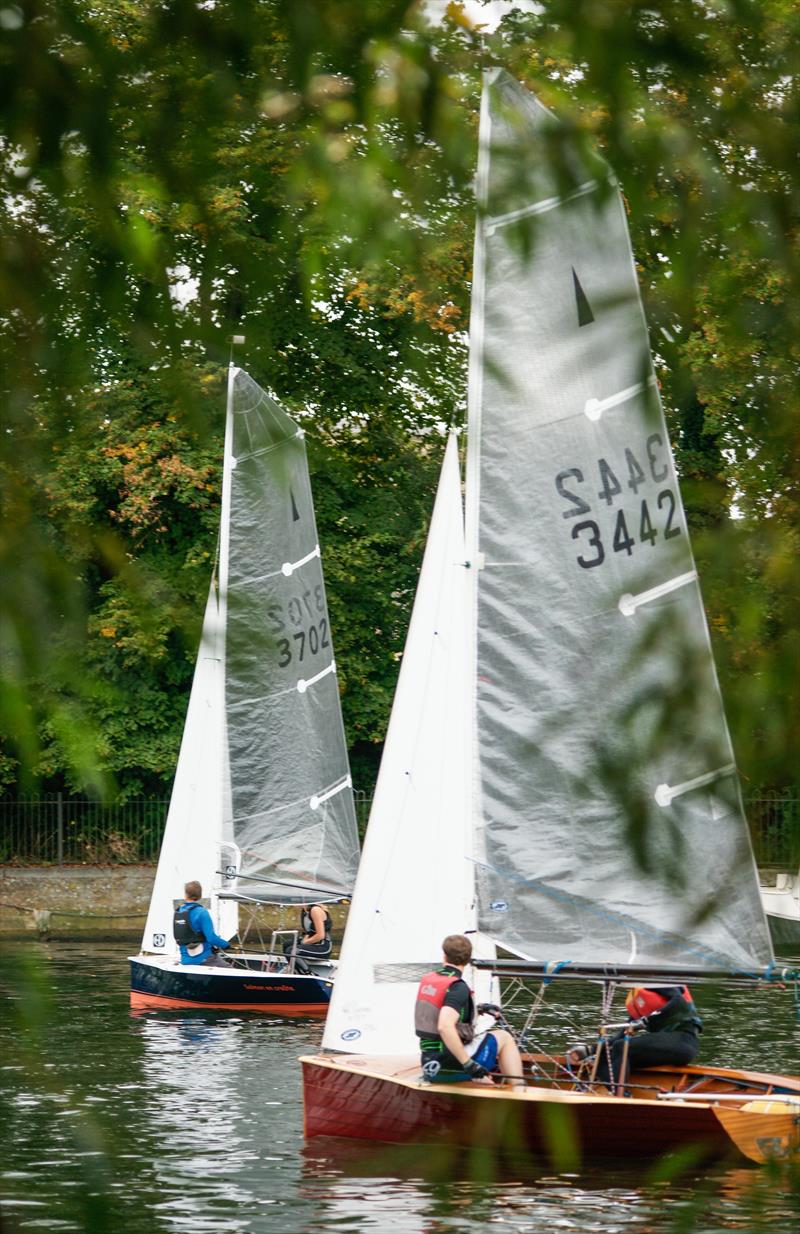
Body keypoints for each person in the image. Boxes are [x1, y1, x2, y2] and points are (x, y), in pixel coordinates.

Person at [415, 933, 525, 1088]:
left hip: (430, 1064)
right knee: (504, 1037)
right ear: (467, 960)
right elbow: (444, 1026)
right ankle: (520, 1091)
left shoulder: (430, 980)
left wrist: (477, 1009)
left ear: (444, 956)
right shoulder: (457, 987)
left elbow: (439, 1011)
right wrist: (469, 1065)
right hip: (451, 1064)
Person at [592, 985, 702, 1084]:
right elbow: (618, 1037)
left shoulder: (655, 981)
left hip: (683, 1041)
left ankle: (621, 1095)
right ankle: (607, 1092)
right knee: (608, 1054)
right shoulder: (637, 998)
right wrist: (591, 1049)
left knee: (622, 1047)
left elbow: (679, 1000)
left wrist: (648, 1020)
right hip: (667, 1046)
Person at [173, 880, 237, 967]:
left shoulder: (178, 912)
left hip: (185, 960)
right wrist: (226, 945)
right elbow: (211, 938)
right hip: (205, 959)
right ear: (200, 895)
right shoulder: (202, 912)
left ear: (185, 895)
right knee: (231, 971)